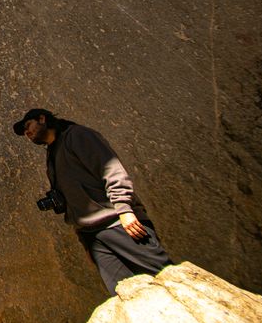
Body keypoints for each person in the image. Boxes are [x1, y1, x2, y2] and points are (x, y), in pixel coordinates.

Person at [13, 108, 172, 295]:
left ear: (42, 118)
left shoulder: (77, 136)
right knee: (127, 296)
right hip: (95, 237)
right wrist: (86, 241)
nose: (27, 133)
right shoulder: (53, 155)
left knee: (165, 279)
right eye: (24, 132)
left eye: (28, 126)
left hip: (119, 224)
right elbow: (72, 201)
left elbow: (110, 168)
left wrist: (125, 209)